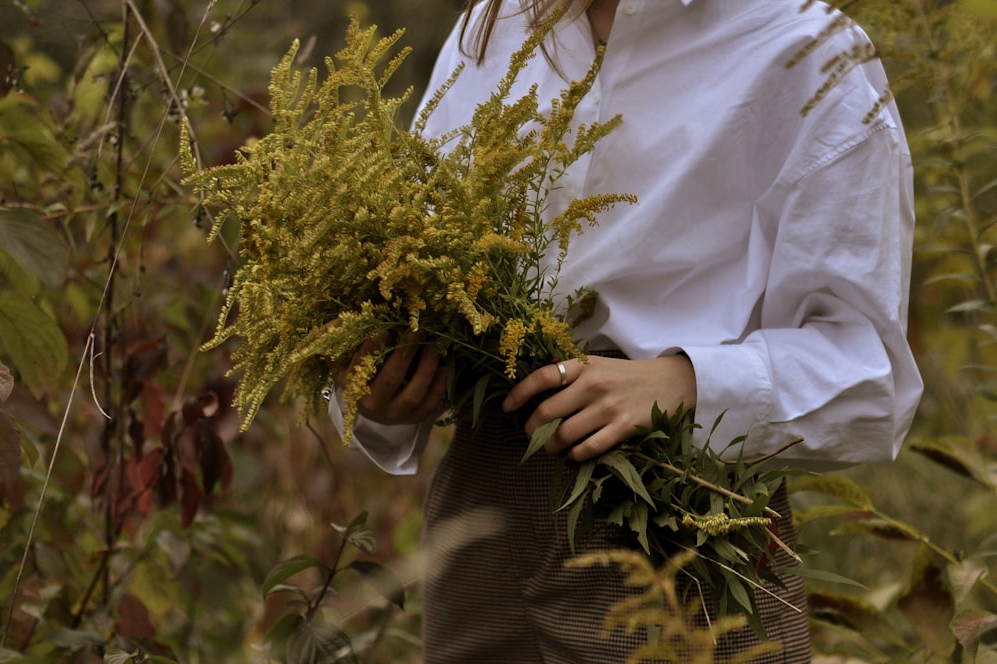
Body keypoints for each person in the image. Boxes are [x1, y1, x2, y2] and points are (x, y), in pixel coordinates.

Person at [329, 0, 923, 661]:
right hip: (481, 527)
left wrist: (685, 385)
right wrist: (380, 390)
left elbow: (868, 374)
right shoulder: (492, 32)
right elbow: (417, 270)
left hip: (678, 529)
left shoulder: (805, 49)